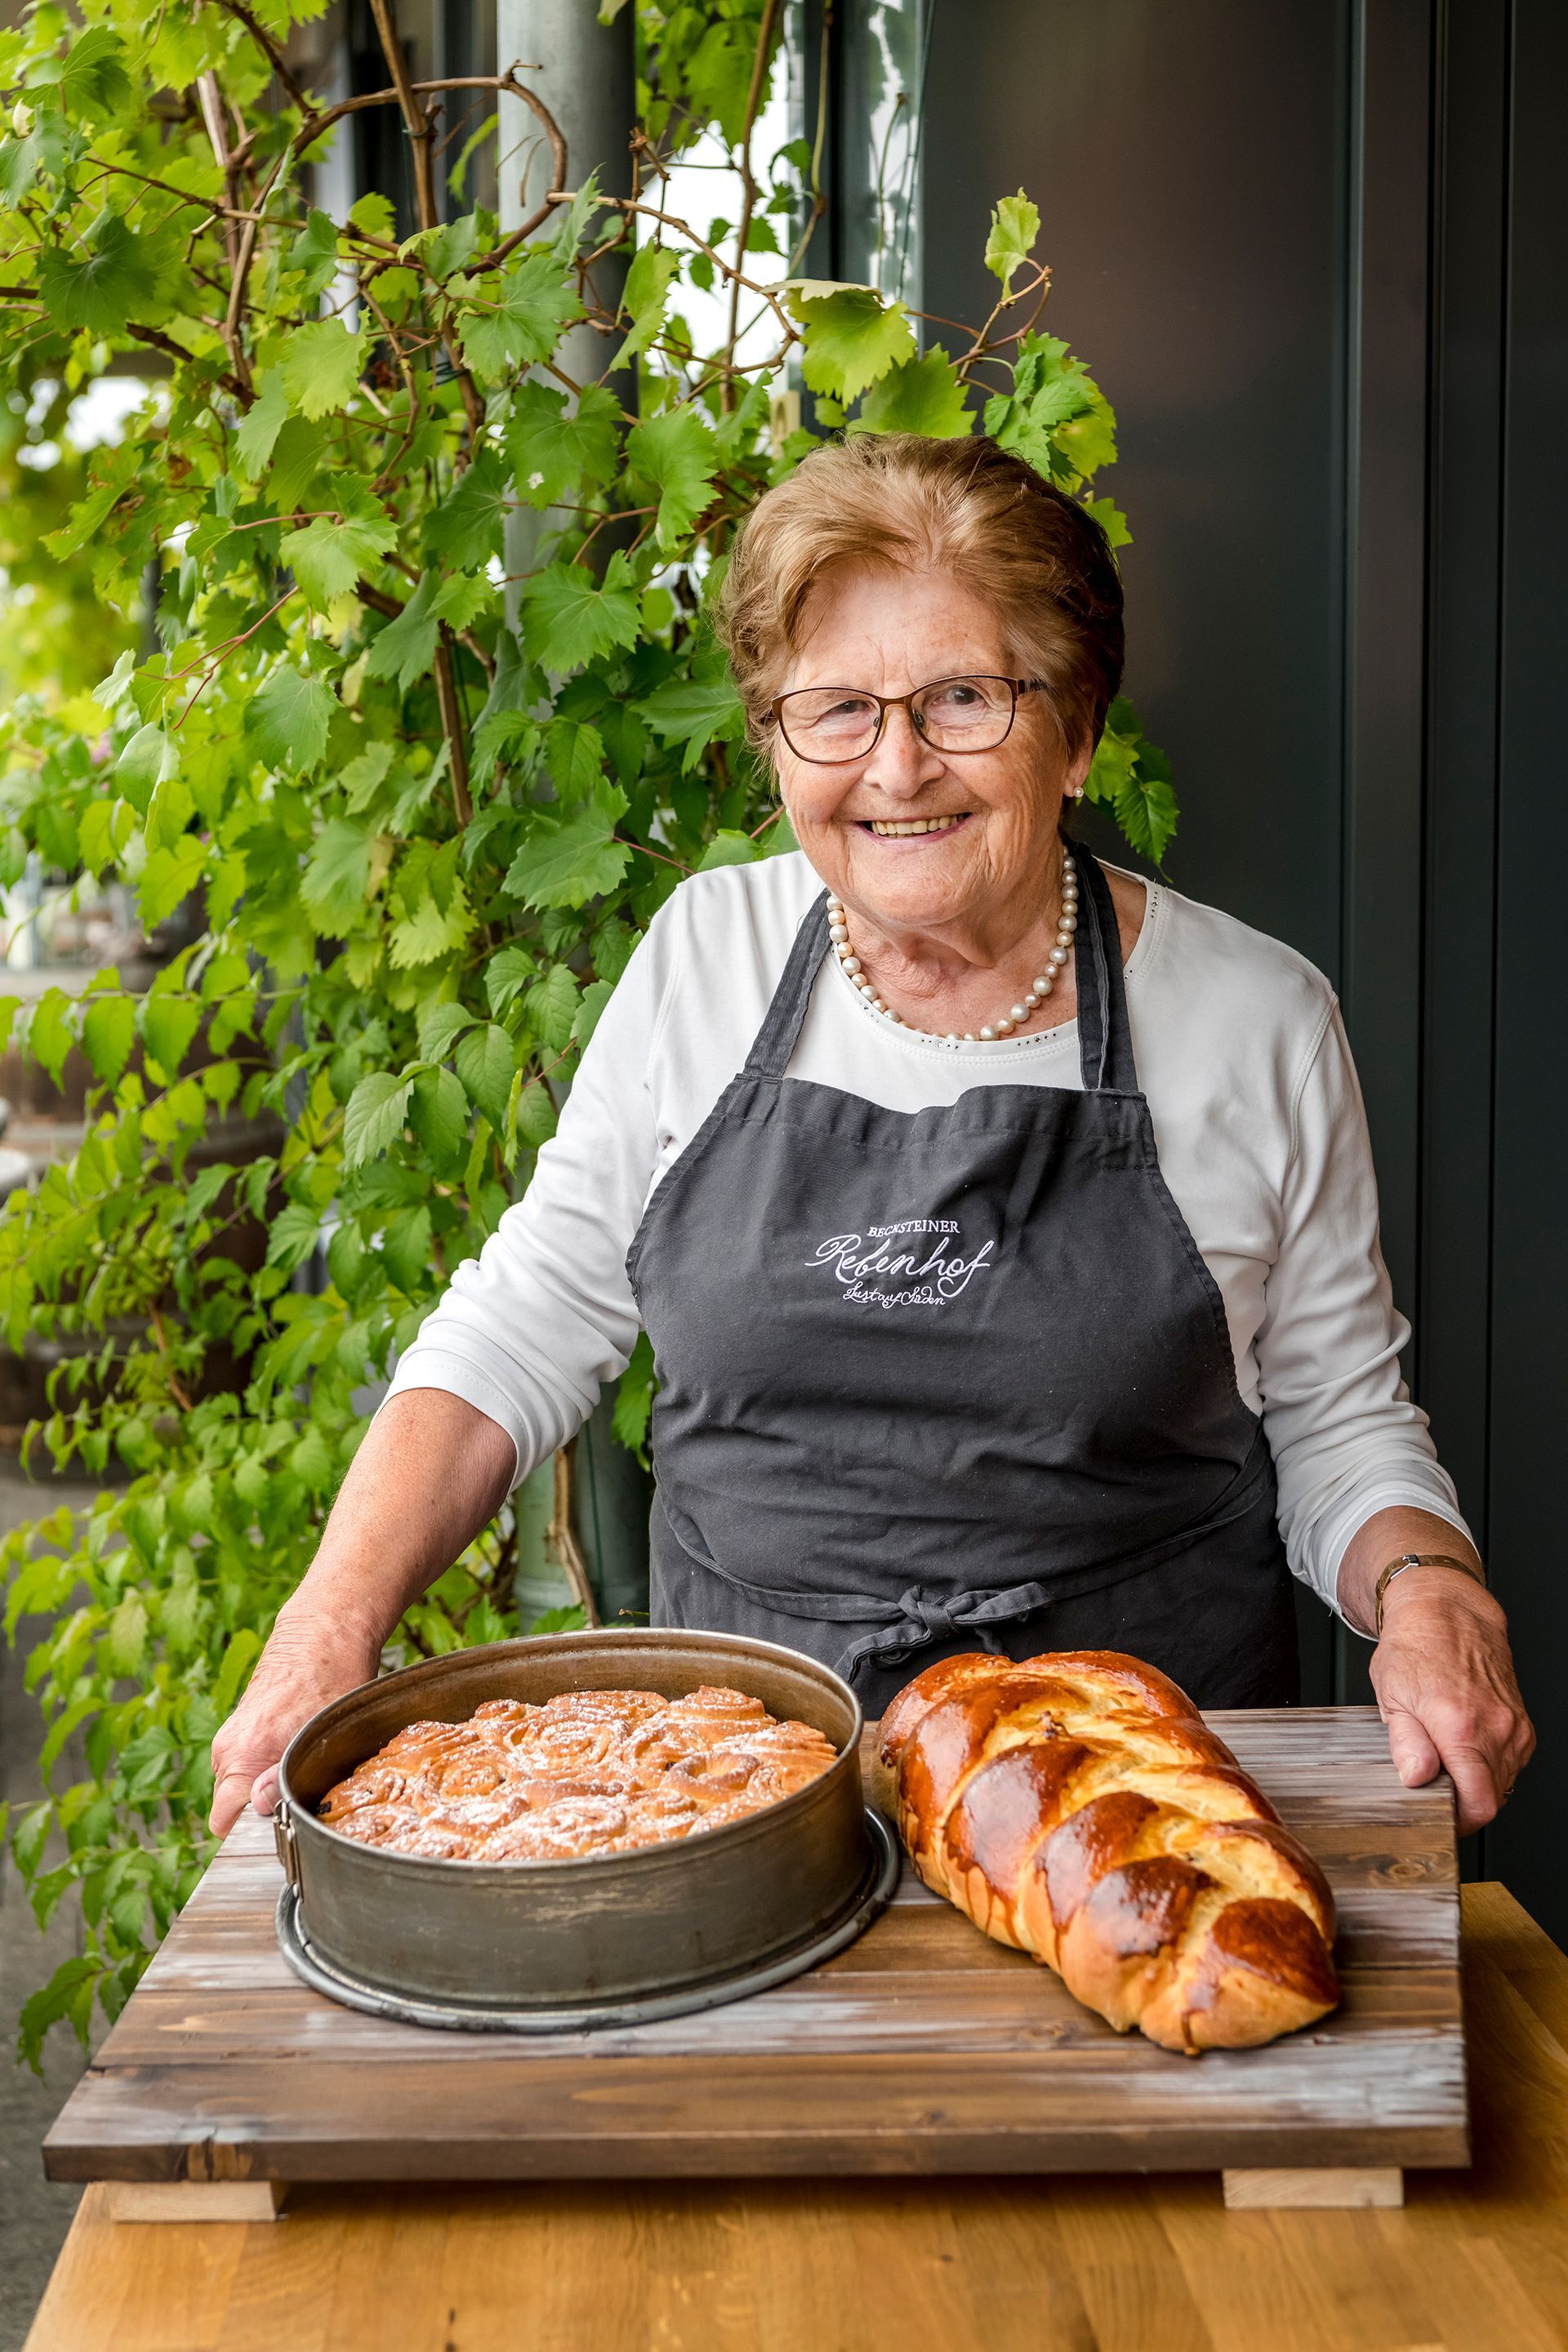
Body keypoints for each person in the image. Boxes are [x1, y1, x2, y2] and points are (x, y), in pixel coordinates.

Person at [211, 433, 1532, 1839]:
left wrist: (1425, 1588)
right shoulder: (703, 960)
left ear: (1075, 731)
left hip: (1137, 1795)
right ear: (779, 742)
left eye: (965, 698)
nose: (896, 767)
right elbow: (526, 1321)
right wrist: (329, 1622)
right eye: (835, 709)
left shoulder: (1255, 1017)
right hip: (739, 1794)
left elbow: (1336, 1415)